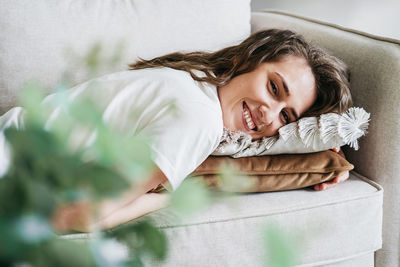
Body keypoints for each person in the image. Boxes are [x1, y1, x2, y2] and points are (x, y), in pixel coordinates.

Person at [5, 29, 353, 232]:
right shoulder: (197, 121)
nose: (268, 116)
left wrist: (316, 156)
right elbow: (79, 215)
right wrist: (164, 198)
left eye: (287, 118)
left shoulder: (189, 82)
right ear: (249, 60)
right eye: (274, 88)